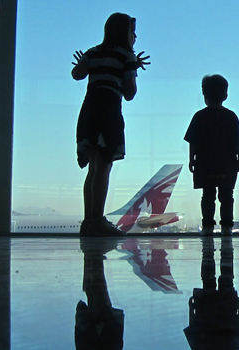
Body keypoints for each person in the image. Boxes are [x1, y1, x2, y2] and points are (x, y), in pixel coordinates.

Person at [72, 13, 150, 236]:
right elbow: (130, 93)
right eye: (132, 32)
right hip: (108, 112)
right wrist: (133, 68)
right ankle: (98, 220)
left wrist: (84, 64)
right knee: (104, 166)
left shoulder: (93, 52)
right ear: (124, 33)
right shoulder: (126, 56)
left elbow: (77, 74)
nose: (135, 36)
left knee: (93, 167)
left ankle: (88, 220)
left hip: (89, 110)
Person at [184, 75, 239, 236]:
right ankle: (226, 226)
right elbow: (238, 142)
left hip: (205, 163)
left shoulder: (199, 116)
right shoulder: (231, 117)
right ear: (225, 94)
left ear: (205, 94)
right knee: (227, 196)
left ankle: (208, 226)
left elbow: (193, 142)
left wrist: (192, 159)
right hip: (227, 163)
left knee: (208, 195)